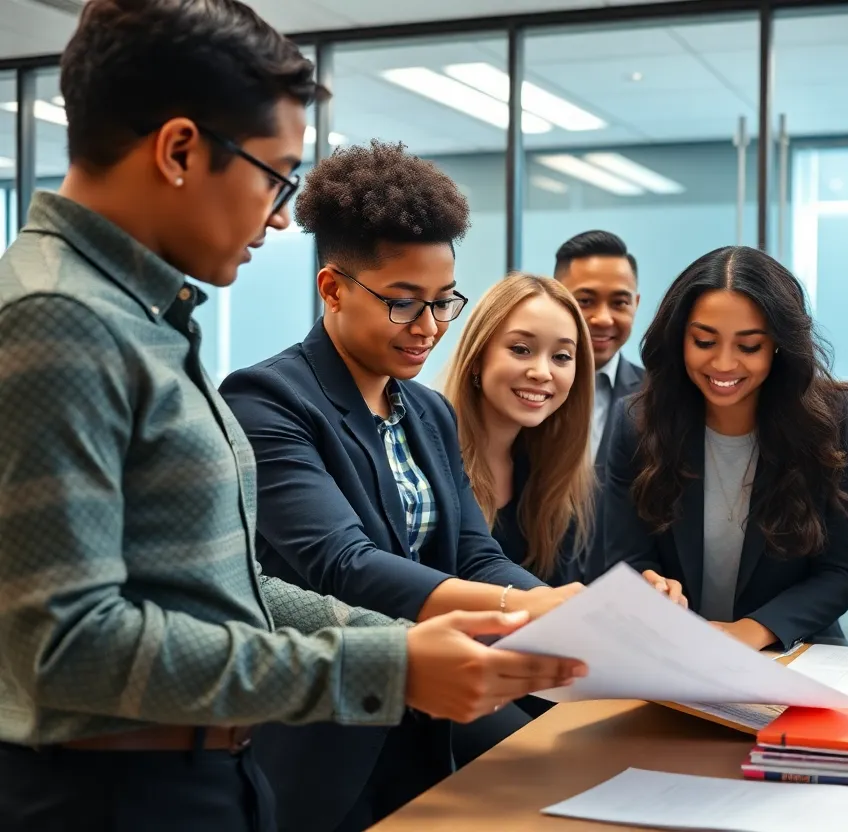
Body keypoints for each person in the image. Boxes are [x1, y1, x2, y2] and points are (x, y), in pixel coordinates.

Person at [0, 3, 583, 832]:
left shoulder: (138, 317)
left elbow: (230, 593)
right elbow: (66, 650)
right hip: (116, 795)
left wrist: (419, 643)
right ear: (178, 150)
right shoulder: (60, 319)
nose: (279, 219)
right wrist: (382, 663)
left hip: (201, 775)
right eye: (274, 177)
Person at [219, 141, 582, 831]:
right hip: (328, 739)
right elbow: (343, 563)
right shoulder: (268, 400)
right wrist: (528, 609)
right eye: (403, 303)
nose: (430, 329)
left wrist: (571, 609)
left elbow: (473, 554)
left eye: (444, 302)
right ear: (332, 289)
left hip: (427, 725)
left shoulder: (426, 411)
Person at [601, 246, 848, 651]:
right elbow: (624, 559)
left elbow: (841, 572)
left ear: (779, 345)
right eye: (705, 341)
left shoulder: (835, 420)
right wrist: (649, 586)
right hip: (672, 651)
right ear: (680, 339)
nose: (724, 364)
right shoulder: (637, 422)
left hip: (793, 652)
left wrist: (751, 630)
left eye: (749, 347)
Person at [443, 273, 597, 587]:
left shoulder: (556, 478)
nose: (542, 372)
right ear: (477, 358)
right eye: (521, 349)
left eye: (561, 357)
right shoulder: (432, 459)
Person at [554, 230, 644, 476]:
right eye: (585, 301)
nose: (603, 319)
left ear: (636, 304)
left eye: (619, 303)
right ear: (556, 300)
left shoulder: (658, 397)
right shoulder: (523, 387)